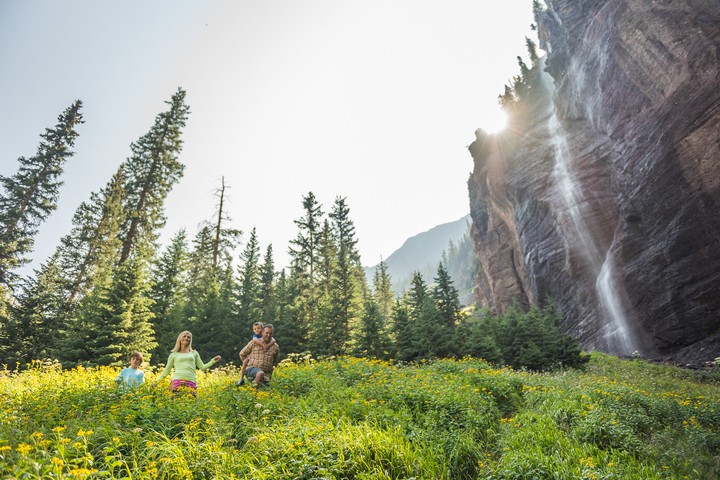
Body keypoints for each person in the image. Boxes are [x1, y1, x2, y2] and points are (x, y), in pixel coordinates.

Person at [154, 331, 221, 396]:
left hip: (191, 382)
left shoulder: (194, 353)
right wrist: (156, 382)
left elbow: (202, 367)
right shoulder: (173, 355)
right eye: (184, 336)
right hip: (177, 381)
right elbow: (166, 371)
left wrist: (213, 361)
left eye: (188, 337)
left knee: (190, 403)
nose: (186, 338)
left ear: (190, 340)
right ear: (180, 339)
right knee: (175, 403)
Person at [237, 324, 279, 388]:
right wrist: (248, 361)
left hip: (266, 375)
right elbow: (242, 354)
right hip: (252, 370)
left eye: (270, 333)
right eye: (266, 333)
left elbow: (275, 360)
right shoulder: (254, 342)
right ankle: (252, 389)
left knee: (267, 391)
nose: (268, 335)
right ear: (262, 332)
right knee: (260, 373)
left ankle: (255, 388)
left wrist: (269, 368)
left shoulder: (275, 347)